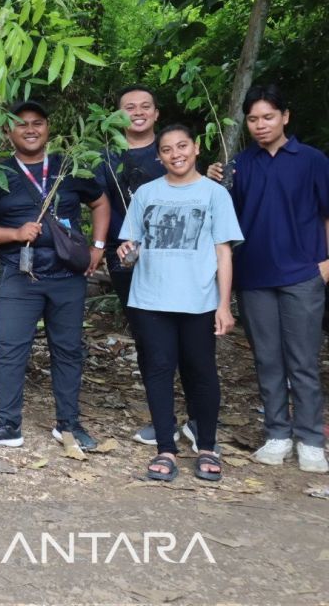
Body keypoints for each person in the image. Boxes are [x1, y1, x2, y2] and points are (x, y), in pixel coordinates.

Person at [0, 100, 110, 449]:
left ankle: (69, 425)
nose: (30, 129)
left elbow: (101, 202)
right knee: (11, 349)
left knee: (68, 350)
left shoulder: (69, 167)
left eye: (37, 123)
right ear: (8, 131)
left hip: (67, 276)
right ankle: (7, 424)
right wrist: (15, 234)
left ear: (48, 128)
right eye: (21, 124)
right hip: (20, 274)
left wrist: (98, 246)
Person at [213, 86, 329, 473]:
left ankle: (311, 439)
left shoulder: (313, 160)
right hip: (255, 276)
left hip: (302, 274)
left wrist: (326, 262)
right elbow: (224, 220)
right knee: (267, 359)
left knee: (303, 360)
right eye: (253, 119)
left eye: (268, 117)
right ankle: (277, 433)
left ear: (285, 117)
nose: (260, 125)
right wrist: (216, 178)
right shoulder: (240, 165)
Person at [117, 124, 241, 482]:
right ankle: (165, 450)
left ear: (196, 148)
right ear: (159, 156)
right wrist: (126, 253)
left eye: (182, 146)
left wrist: (224, 304)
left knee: (201, 372)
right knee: (157, 370)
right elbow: (131, 247)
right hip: (151, 298)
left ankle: (206, 446)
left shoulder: (214, 194)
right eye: (168, 149)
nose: (176, 154)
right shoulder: (146, 192)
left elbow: (224, 252)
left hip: (199, 300)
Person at [94, 85, 200, 447]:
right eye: (128, 107)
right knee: (148, 340)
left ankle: (199, 419)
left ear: (156, 113)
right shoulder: (106, 158)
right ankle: (163, 420)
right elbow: (100, 206)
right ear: (117, 115)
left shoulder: (171, 152)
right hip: (127, 258)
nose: (137, 112)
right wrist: (100, 248)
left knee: (189, 339)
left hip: (181, 259)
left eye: (145, 107)